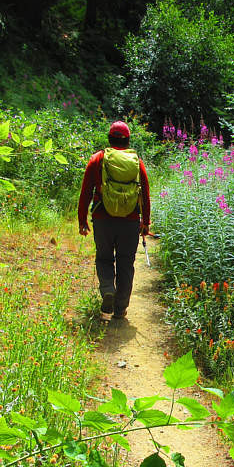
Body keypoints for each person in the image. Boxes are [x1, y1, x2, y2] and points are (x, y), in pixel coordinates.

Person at [78, 121, 151, 319]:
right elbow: (145, 192)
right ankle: (120, 309)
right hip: (130, 221)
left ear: (109, 139)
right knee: (126, 263)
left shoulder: (97, 159)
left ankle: (108, 289)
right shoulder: (136, 162)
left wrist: (82, 220)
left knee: (104, 258)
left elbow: (85, 192)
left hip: (103, 219)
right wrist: (146, 222)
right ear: (128, 140)